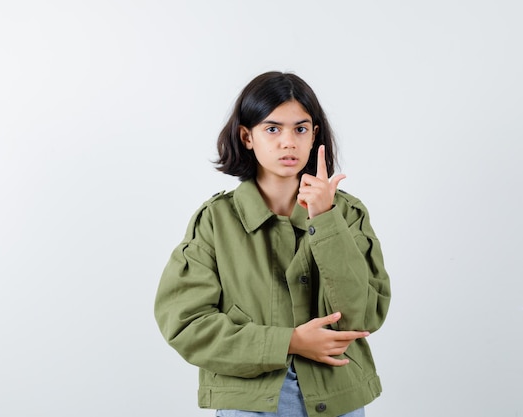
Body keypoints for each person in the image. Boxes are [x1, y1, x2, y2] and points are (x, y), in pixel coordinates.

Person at [154, 71, 391, 417]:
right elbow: (186, 323)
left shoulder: (347, 213)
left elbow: (364, 315)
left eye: (300, 128)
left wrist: (325, 219)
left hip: (337, 399)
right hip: (249, 404)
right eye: (272, 128)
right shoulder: (215, 221)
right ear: (247, 136)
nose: (288, 142)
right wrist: (288, 343)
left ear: (314, 136)